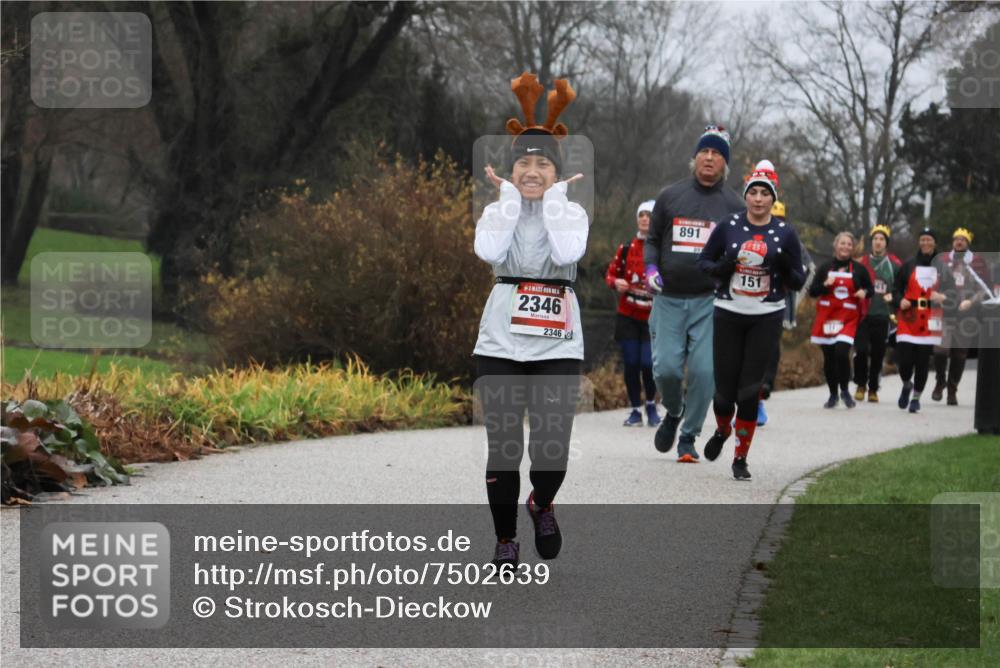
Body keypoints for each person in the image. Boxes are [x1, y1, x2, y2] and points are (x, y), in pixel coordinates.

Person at [474, 73, 588, 568]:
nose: (534, 170)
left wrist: (557, 201)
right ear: (511, 170)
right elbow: (488, 251)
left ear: (557, 173)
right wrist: (508, 203)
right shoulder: (498, 211)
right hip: (500, 343)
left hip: (557, 345)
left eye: (544, 163)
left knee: (551, 452)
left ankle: (542, 502)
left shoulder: (573, 215)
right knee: (503, 449)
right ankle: (505, 539)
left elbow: (566, 251)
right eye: (525, 162)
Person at [696, 160, 805, 480]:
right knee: (723, 392)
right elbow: (703, 262)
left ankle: (741, 458)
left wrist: (785, 266)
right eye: (753, 192)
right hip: (729, 311)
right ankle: (721, 430)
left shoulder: (785, 233)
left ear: (774, 198)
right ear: (746, 196)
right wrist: (723, 267)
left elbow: (798, 281)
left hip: (766, 315)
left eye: (764, 193)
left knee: (749, 391)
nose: (758, 199)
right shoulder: (729, 225)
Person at [644, 125, 744, 462]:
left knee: (704, 373)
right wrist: (651, 270)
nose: (710, 157)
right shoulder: (670, 196)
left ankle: (688, 437)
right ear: (695, 157)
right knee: (667, 370)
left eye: (717, 154)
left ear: (724, 163)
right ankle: (674, 411)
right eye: (705, 151)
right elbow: (653, 240)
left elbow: (741, 253)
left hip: (709, 302)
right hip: (669, 297)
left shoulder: (734, 205)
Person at [758, 199, 815, 426]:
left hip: (778, 302)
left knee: (770, 345)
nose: (776, 222)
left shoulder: (792, 240)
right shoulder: (750, 233)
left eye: (780, 219)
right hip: (749, 301)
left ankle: (763, 391)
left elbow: (806, 270)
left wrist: (795, 296)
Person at [605, 200, 660, 427]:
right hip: (627, 314)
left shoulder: (661, 250)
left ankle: (651, 406)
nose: (645, 219)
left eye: (649, 215)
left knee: (648, 363)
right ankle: (635, 409)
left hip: (653, 317)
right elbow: (610, 275)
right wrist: (616, 282)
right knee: (631, 362)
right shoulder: (626, 248)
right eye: (641, 215)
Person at [809, 232, 874, 408]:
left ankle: (845, 390)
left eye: (849, 245)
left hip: (848, 319)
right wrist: (825, 285)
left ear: (852, 248)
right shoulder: (824, 268)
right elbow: (812, 291)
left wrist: (864, 292)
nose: (845, 247)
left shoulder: (859, 269)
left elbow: (870, 289)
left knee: (841, 352)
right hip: (827, 318)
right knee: (829, 357)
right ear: (835, 245)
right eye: (842, 244)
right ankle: (833, 394)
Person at [931, 228, 991, 405]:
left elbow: (984, 289)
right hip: (945, 313)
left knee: (959, 355)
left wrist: (971, 301)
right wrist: (936, 296)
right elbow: (932, 282)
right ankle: (940, 381)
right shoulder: (942, 260)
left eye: (963, 240)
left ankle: (952, 389)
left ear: (968, 243)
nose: (959, 242)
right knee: (940, 350)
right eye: (956, 239)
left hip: (966, 315)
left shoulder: (977, 262)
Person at [892, 227, 946, 413]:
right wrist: (901, 300)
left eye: (928, 240)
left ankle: (916, 397)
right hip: (909, 317)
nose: (925, 243)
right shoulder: (908, 265)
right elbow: (895, 289)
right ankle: (907, 383)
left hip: (931, 318)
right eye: (922, 239)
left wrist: (943, 297)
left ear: (934, 243)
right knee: (904, 361)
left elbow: (953, 292)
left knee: (922, 362)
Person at [852, 225, 902, 402]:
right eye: (875, 239)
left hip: (883, 314)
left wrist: (894, 297)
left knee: (878, 353)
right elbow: (853, 284)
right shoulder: (861, 263)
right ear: (871, 242)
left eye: (881, 239)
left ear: (886, 243)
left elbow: (901, 288)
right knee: (862, 350)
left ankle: (873, 388)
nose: (878, 242)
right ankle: (860, 384)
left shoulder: (894, 265)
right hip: (863, 314)